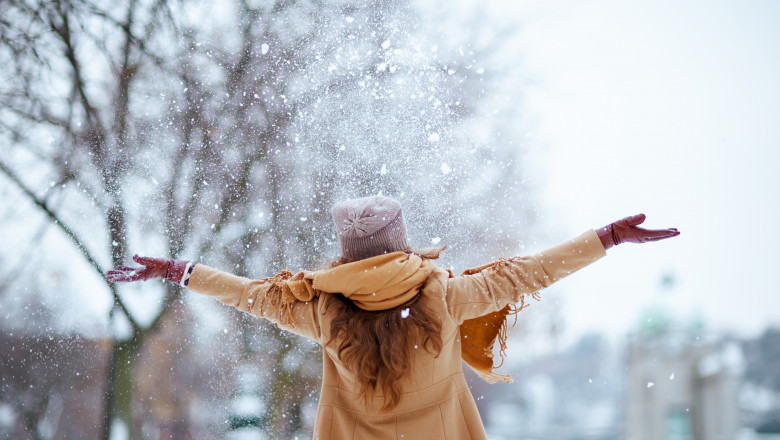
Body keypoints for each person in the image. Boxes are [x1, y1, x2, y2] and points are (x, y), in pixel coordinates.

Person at [107, 195, 679, 439]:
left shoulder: (323, 312)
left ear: (347, 254)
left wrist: (183, 271)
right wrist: (604, 238)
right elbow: (532, 273)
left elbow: (248, 295)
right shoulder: (446, 296)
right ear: (401, 245)